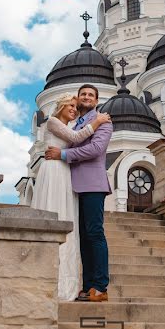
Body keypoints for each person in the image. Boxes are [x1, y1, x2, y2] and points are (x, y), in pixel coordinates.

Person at [31, 93, 111, 301]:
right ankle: (84, 285)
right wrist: (95, 121)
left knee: (92, 233)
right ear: (61, 106)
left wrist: (64, 154)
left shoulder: (101, 122)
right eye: (71, 104)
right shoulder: (57, 122)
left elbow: (94, 149)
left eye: (87, 97)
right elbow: (76, 138)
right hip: (61, 176)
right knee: (79, 233)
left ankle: (99, 286)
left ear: (96, 100)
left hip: (86, 182)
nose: (74, 108)